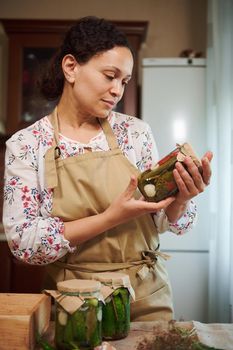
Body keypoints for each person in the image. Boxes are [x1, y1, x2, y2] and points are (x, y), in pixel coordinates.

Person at [3, 16, 212, 322]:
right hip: (73, 304)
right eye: (110, 76)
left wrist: (181, 198)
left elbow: (161, 216)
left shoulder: (135, 133)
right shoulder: (27, 144)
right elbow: (25, 244)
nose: (117, 90)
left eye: (124, 81)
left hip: (145, 296)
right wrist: (110, 218)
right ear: (71, 67)